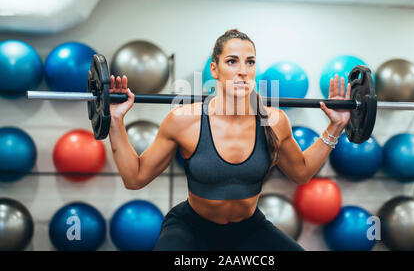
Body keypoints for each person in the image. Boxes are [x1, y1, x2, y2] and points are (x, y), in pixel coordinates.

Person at [108, 29, 351, 251]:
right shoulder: (184, 120)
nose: (243, 71)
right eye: (232, 61)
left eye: (250, 62)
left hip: (249, 228)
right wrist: (115, 121)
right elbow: (135, 178)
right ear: (215, 69)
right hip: (192, 227)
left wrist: (336, 125)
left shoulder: (274, 121)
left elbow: (302, 173)